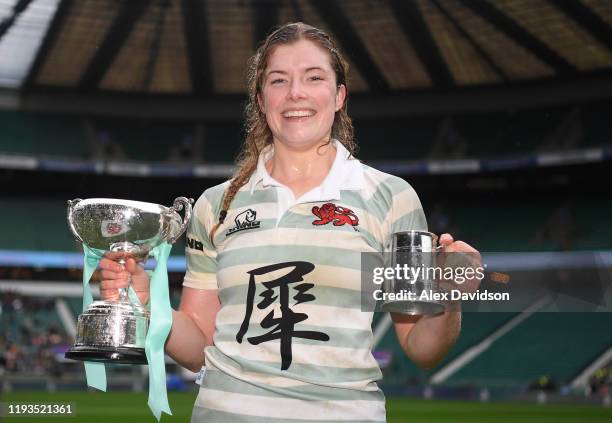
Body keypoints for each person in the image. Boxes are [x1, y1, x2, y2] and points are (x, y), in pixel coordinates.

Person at [99, 22, 480, 422]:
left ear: (338, 96)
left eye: (313, 78)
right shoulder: (217, 205)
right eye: (279, 81)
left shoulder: (390, 198)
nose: (295, 93)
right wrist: (147, 303)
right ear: (262, 100)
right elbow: (199, 346)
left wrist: (448, 298)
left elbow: (422, 347)